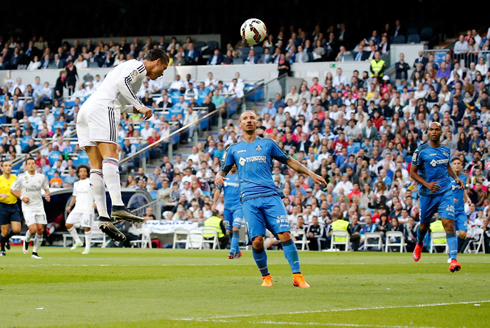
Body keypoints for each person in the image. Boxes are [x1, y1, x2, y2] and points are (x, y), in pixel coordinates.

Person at [216, 110, 327, 288]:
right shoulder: (233, 149)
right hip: (249, 199)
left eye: (252, 117)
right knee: (257, 241)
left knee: (284, 234)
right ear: (241, 125)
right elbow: (222, 170)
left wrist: (311, 173)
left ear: (257, 122)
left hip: (271, 196)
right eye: (245, 118)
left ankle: (297, 276)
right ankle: (266, 277)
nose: (249, 120)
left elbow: (289, 161)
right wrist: (218, 176)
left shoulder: (268, 144)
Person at [76, 48, 169, 242]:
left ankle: (103, 216)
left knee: (96, 164)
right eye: (164, 68)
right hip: (103, 108)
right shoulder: (138, 67)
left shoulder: (129, 70)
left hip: (87, 110)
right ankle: (118, 206)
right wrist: (141, 105)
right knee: (111, 154)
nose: (162, 73)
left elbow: (119, 96)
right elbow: (122, 83)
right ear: (157, 61)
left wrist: (133, 106)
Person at [410, 122, 463, 272]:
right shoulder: (421, 151)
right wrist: (427, 184)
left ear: (441, 133)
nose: (434, 132)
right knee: (423, 226)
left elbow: (446, 166)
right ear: (428, 132)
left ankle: (453, 259)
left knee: (449, 224)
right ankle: (419, 243)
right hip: (428, 194)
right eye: (431, 129)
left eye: (437, 130)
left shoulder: (446, 150)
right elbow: (412, 173)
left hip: (445, 192)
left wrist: (455, 178)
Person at [10, 157, 50, 259]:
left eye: (33, 163)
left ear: (35, 165)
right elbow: (12, 190)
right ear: (26, 166)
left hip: (39, 207)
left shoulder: (41, 177)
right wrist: (22, 197)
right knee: (33, 230)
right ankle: (26, 241)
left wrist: (47, 195)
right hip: (28, 207)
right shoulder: (21, 177)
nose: (31, 165)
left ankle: (35, 252)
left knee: (40, 230)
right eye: (29, 164)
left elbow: (46, 188)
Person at [212, 163, 243, 259]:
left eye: (235, 164)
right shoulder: (224, 177)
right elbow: (217, 191)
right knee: (229, 231)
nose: (233, 166)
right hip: (227, 209)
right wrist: (214, 203)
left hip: (238, 208)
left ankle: (232, 252)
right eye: (231, 164)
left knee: (236, 229)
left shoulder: (241, 176)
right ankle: (238, 251)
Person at [65, 165, 95, 255]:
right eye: (81, 171)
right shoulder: (76, 184)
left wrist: (96, 202)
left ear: (87, 173)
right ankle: (78, 241)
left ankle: (87, 248)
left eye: (84, 171)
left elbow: (97, 193)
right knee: (68, 224)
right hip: (77, 208)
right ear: (78, 173)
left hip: (87, 208)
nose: (82, 173)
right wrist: (70, 206)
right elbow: (74, 196)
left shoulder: (91, 182)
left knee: (86, 227)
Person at [449, 157, 471, 255]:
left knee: (463, 234)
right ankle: (452, 254)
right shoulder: (447, 178)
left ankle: (454, 249)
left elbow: (462, 190)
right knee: (452, 233)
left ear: (461, 166)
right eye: (455, 163)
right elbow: (442, 192)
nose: (457, 165)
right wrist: (449, 198)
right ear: (451, 166)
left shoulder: (463, 177)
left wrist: (467, 197)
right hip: (450, 210)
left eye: (459, 163)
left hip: (461, 210)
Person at [0, 161, 21, 256]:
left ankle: (7, 239)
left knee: (17, 229)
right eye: (6, 166)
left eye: (9, 166)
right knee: (4, 232)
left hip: (13, 206)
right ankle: (2, 249)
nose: (8, 167)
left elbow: (20, 190)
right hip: (2, 206)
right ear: (2, 168)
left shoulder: (15, 179)